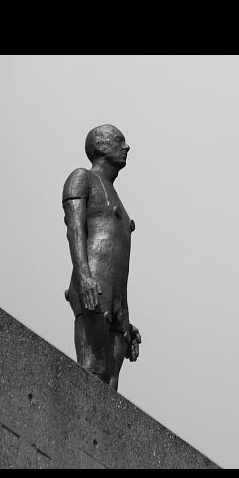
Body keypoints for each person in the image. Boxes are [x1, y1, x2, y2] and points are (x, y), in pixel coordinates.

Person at [62, 124, 142, 391]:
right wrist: (84, 277)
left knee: (112, 383)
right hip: (93, 284)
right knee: (93, 370)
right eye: (119, 140)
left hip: (118, 296)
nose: (126, 146)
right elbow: (75, 230)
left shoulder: (119, 199)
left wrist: (128, 319)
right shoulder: (82, 178)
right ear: (100, 146)